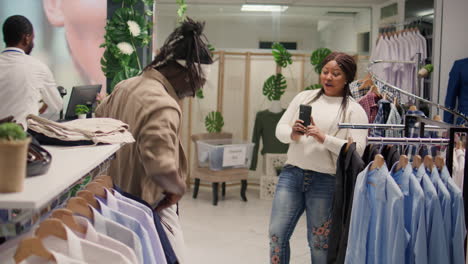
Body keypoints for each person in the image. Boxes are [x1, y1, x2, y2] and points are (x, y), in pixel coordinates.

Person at [95, 18, 213, 263]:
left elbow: (99, 119)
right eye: (198, 84)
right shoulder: (163, 104)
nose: (194, 92)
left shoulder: (126, 86)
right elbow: (159, 164)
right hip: (149, 207)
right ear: (187, 73)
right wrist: (176, 188)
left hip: (113, 201)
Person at [269, 52, 368, 264]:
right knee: (276, 235)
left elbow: (357, 152)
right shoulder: (304, 98)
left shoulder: (355, 110)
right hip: (292, 175)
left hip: (326, 181)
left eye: (336, 74)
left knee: (319, 243)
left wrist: (323, 137)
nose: (328, 77)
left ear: (347, 78)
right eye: (325, 72)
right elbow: (280, 129)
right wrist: (294, 134)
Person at [0, 15, 63, 129]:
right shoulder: (38, 67)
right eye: (33, 38)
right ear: (27, 38)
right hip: (23, 140)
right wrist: (43, 104)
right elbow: (57, 106)